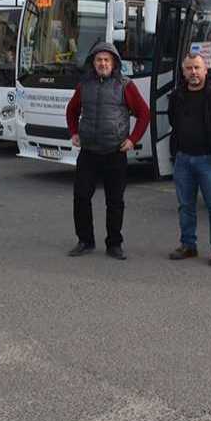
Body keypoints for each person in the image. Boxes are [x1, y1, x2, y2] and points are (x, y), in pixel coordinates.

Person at [65, 42, 150, 260]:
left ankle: (114, 243)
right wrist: (74, 131)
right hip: (89, 151)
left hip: (115, 151)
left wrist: (133, 140)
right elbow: (72, 110)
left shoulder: (125, 85)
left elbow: (144, 113)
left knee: (115, 201)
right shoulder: (84, 85)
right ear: (92, 63)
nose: (103, 64)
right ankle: (85, 240)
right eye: (99, 60)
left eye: (107, 60)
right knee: (81, 196)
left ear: (114, 63)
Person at [167, 53, 211, 266]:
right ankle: (188, 245)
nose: (193, 73)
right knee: (185, 206)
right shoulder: (177, 95)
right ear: (183, 72)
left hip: (209, 160)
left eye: (197, 68)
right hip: (183, 160)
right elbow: (173, 120)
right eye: (189, 68)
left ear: (205, 70)